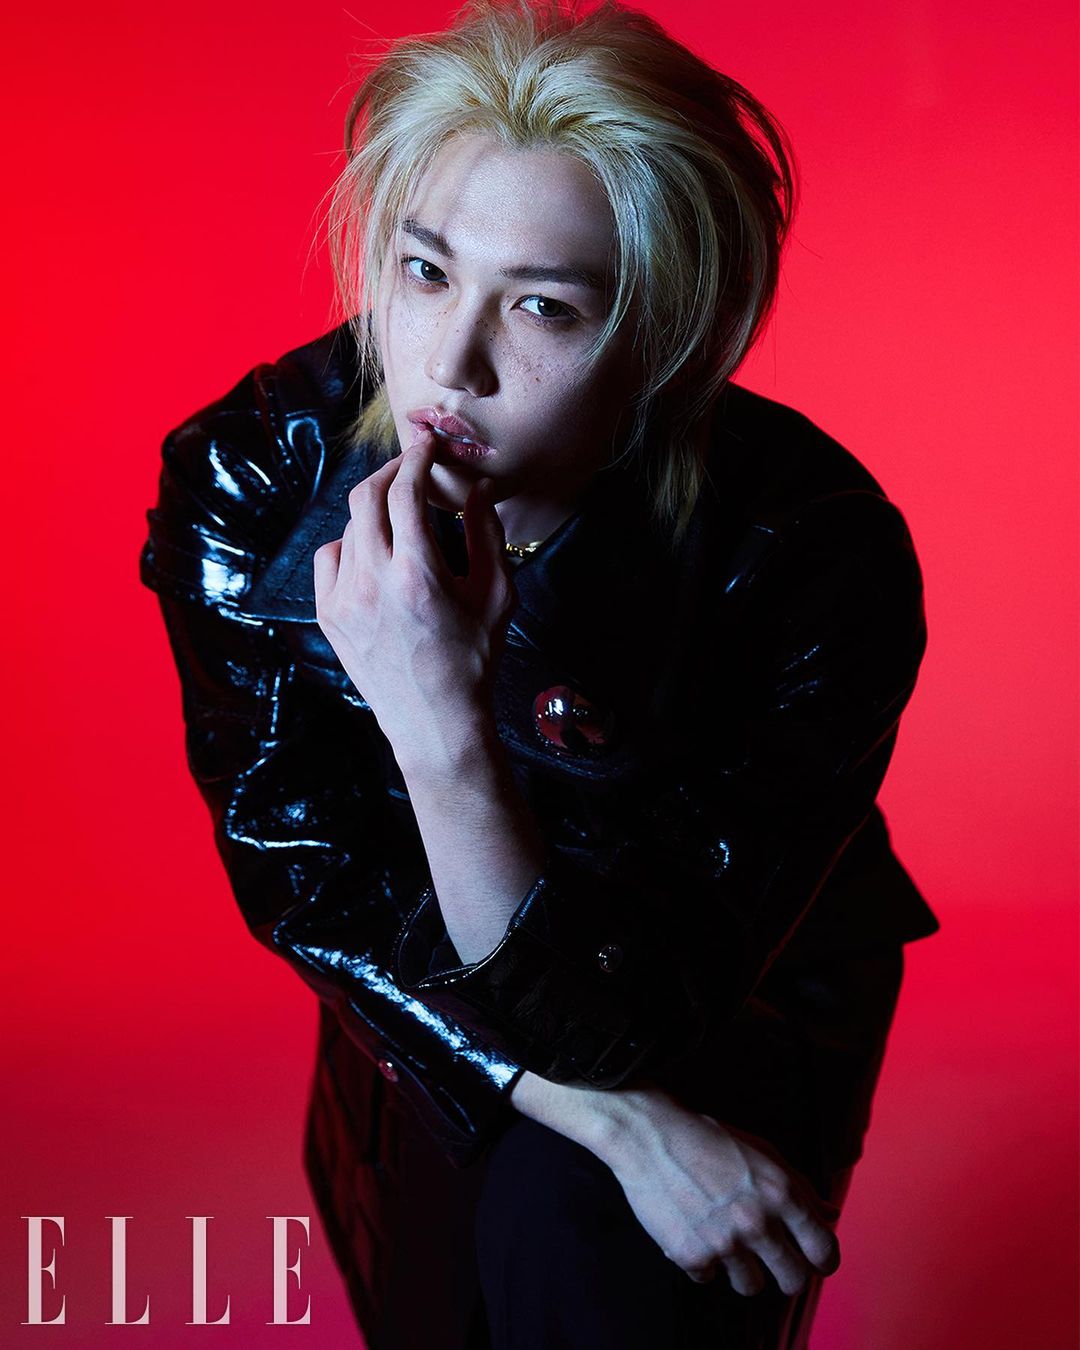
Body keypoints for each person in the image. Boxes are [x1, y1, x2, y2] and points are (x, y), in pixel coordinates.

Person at [138, 0, 940, 1345]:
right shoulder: (257, 473)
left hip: (720, 993)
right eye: (425, 270)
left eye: (544, 307)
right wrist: (620, 1123)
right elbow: (309, 876)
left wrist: (441, 720)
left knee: (595, 1261)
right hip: (423, 993)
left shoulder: (811, 553)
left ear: (667, 334)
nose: (450, 365)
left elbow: (627, 1012)